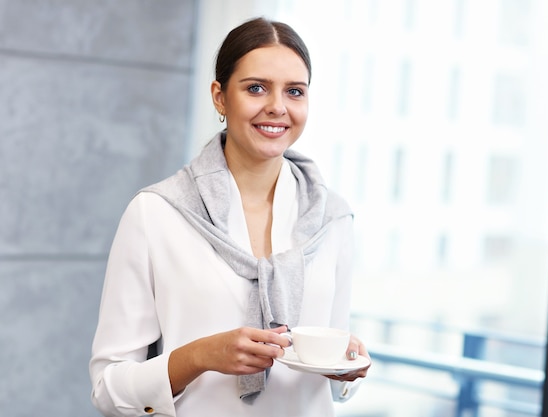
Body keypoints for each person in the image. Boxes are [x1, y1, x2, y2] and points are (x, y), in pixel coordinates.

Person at [89, 16, 371, 417]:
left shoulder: (334, 220)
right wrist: (200, 355)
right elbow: (107, 388)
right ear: (220, 97)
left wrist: (347, 362)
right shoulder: (155, 213)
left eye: (294, 91)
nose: (277, 107)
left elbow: (336, 379)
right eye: (256, 88)